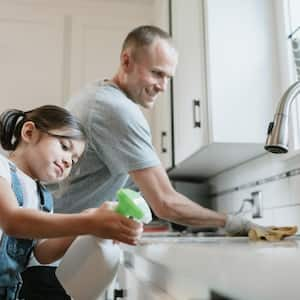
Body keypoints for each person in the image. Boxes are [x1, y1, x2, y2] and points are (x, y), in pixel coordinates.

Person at [21, 26, 263, 299]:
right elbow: (165, 202)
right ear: (127, 61)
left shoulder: (100, 97)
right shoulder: (116, 110)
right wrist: (232, 221)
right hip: (51, 262)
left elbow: (141, 195)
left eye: (168, 77)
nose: (163, 85)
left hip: (48, 253)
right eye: (157, 72)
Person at [0, 105, 142, 300]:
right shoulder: (2, 169)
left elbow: (41, 254)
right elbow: (13, 221)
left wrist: (86, 224)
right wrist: (89, 221)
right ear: (29, 132)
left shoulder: (43, 198)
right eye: (65, 147)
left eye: (74, 161)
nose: (68, 161)